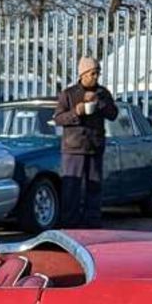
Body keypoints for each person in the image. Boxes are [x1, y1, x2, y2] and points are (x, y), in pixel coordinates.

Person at [52, 55, 118, 227]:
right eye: (93, 73)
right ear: (83, 74)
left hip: (95, 147)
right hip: (73, 149)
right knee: (71, 188)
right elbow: (58, 119)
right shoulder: (69, 94)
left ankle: (93, 224)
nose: (96, 77)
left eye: (98, 73)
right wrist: (77, 112)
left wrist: (100, 103)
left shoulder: (103, 93)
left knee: (94, 187)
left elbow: (114, 114)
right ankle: (69, 224)